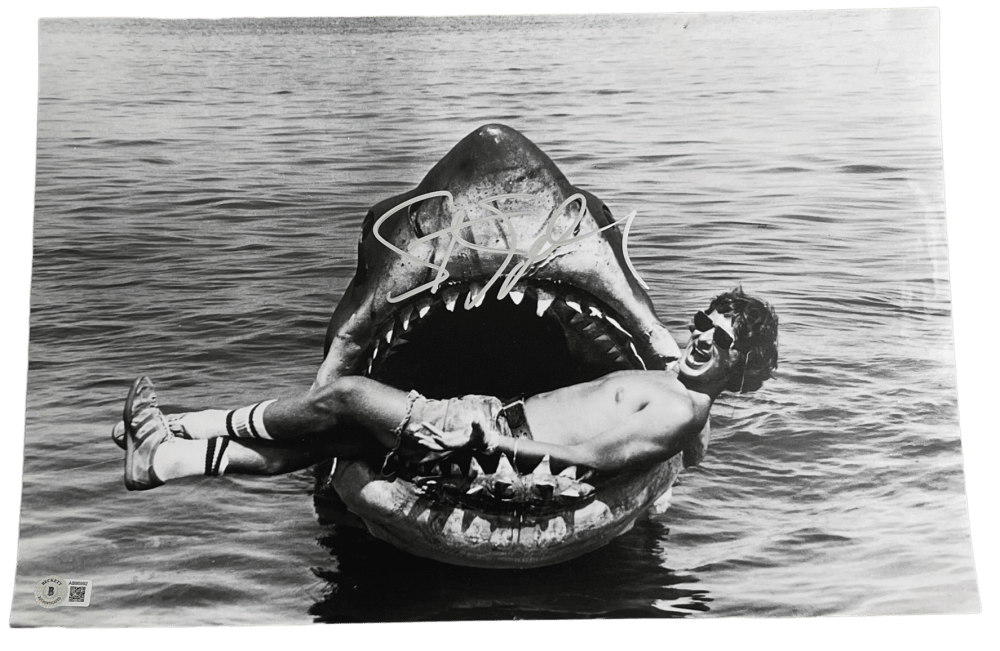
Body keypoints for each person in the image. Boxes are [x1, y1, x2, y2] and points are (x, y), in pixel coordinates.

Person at [119, 287, 778, 491]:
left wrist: (493, 445)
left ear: (740, 363)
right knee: (324, 444)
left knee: (345, 397)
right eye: (702, 321)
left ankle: (184, 425)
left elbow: (597, 457)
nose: (699, 336)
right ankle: (162, 460)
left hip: (491, 439)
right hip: (489, 421)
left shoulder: (679, 408)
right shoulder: (678, 383)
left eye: (717, 338)